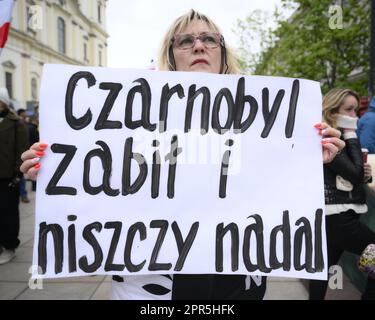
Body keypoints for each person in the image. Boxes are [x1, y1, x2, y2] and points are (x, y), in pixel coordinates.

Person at [21, 9, 344, 299]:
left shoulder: (265, 117)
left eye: (208, 39)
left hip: (236, 276)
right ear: (171, 56)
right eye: (185, 41)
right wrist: (55, 168)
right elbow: (109, 181)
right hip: (153, 283)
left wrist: (307, 156)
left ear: (222, 49)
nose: (199, 46)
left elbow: (273, 180)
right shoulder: (131, 115)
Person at [309, 88, 375, 300]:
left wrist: (365, 175)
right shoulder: (328, 136)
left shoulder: (331, 134)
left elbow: (353, 174)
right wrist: (351, 133)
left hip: (334, 215)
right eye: (349, 110)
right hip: (339, 216)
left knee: (322, 271)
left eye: (355, 110)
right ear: (333, 110)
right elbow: (354, 174)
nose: (355, 116)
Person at [0, 87, 29, 264]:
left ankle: (9, 245)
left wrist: (18, 174)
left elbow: (22, 150)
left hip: (7, 176)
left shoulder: (16, 123)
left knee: (8, 213)